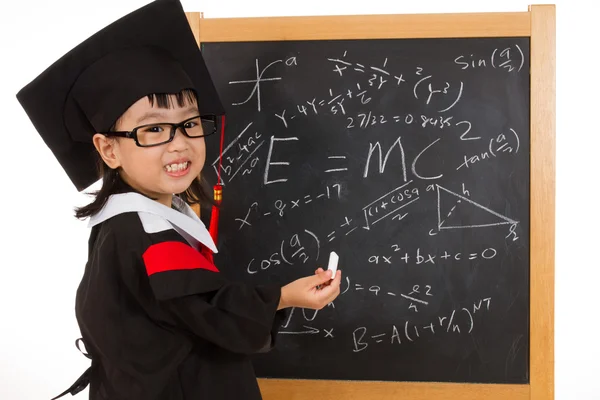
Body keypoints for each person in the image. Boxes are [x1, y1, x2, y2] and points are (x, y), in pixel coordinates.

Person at [16, 0, 342, 399]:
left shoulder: (136, 219)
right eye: (153, 130)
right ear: (108, 149)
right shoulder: (144, 232)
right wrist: (284, 296)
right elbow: (209, 307)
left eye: (189, 123)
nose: (180, 144)